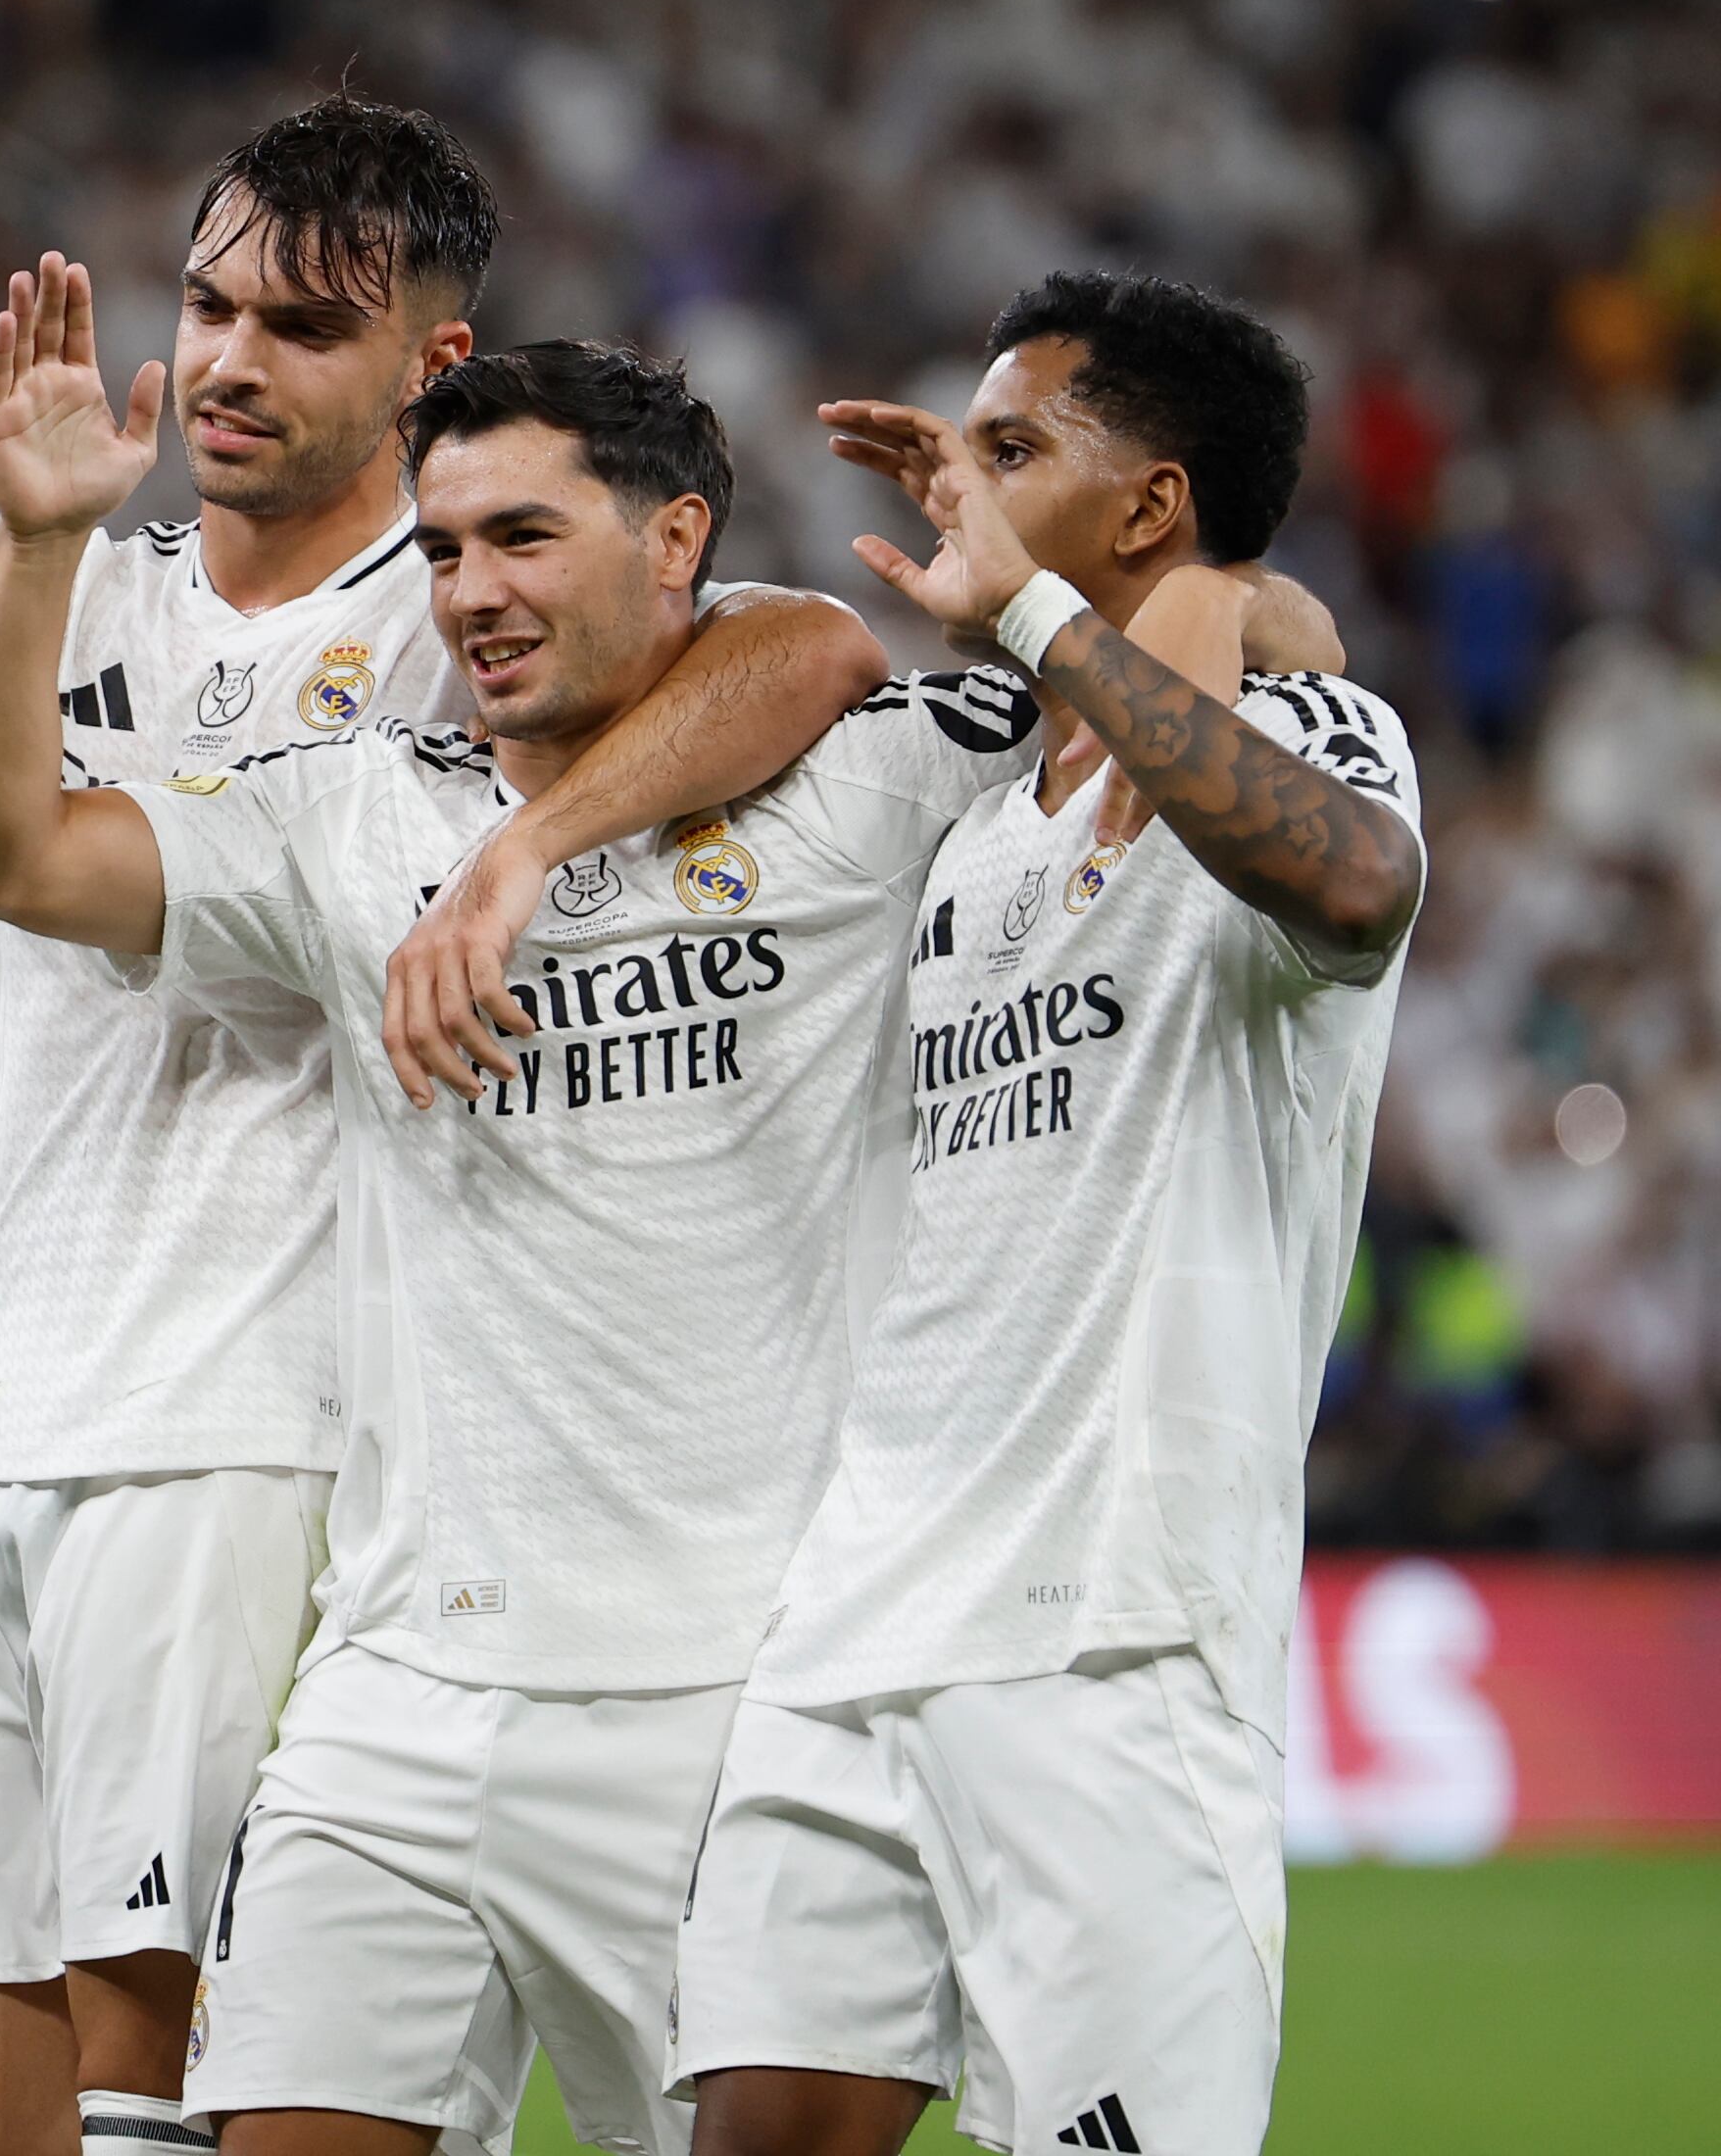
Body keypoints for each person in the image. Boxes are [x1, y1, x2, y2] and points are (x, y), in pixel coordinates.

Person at [0, 105, 886, 2156]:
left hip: (266, 1435)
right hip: (8, 1418)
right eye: (207, 304)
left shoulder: (473, 615)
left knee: (183, 2111)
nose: (225, 360)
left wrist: (525, 845)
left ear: (429, 370)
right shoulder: (64, 585)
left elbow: (805, 646)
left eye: (300, 323)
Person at [0, 310, 1052, 2156]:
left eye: (523, 537)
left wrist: (526, 862)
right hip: (397, 1691)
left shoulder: (867, 775)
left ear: (675, 538)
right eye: (441, 550)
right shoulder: (346, 815)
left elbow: (878, 643)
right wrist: (39, 550)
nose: (466, 594)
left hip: (731, 1696)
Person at [679, 276, 1426, 2156]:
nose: (957, 489)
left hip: (1110, 1632)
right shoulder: (976, 827)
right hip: (854, 1618)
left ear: (1151, 506)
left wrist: (1036, 606)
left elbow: (1347, 889)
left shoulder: (1321, 731)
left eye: (1009, 452)